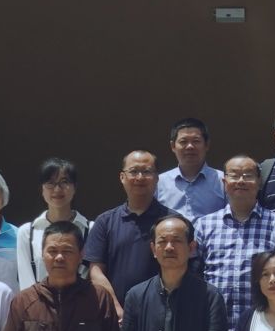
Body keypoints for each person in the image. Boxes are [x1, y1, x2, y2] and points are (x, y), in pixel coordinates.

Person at [193, 155, 275, 330]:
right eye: (234, 175)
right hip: (213, 325)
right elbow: (194, 274)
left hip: (263, 327)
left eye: (248, 175)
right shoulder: (204, 225)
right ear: (224, 182)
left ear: (259, 182)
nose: (241, 181)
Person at [84, 148, 179, 316]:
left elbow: (182, 268)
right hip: (115, 318)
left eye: (147, 172)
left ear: (157, 178)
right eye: (134, 171)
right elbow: (95, 271)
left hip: (162, 316)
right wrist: (116, 309)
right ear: (122, 177)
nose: (140, 177)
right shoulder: (105, 222)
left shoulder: (173, 222)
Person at [16, 157, 92, 289]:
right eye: (50, 183)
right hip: (38, 301)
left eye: (64, 182)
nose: (57, 189)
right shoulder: (27, 232)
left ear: (74, 188)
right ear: (42, 189)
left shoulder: (91, 229)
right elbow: (26, 280)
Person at [157, 117, 227, 220]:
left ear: (207, 145)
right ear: (173, 146)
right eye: (183, 141)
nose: (190, 146)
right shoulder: (159, 182)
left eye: (196, 141)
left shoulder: (223, 181)